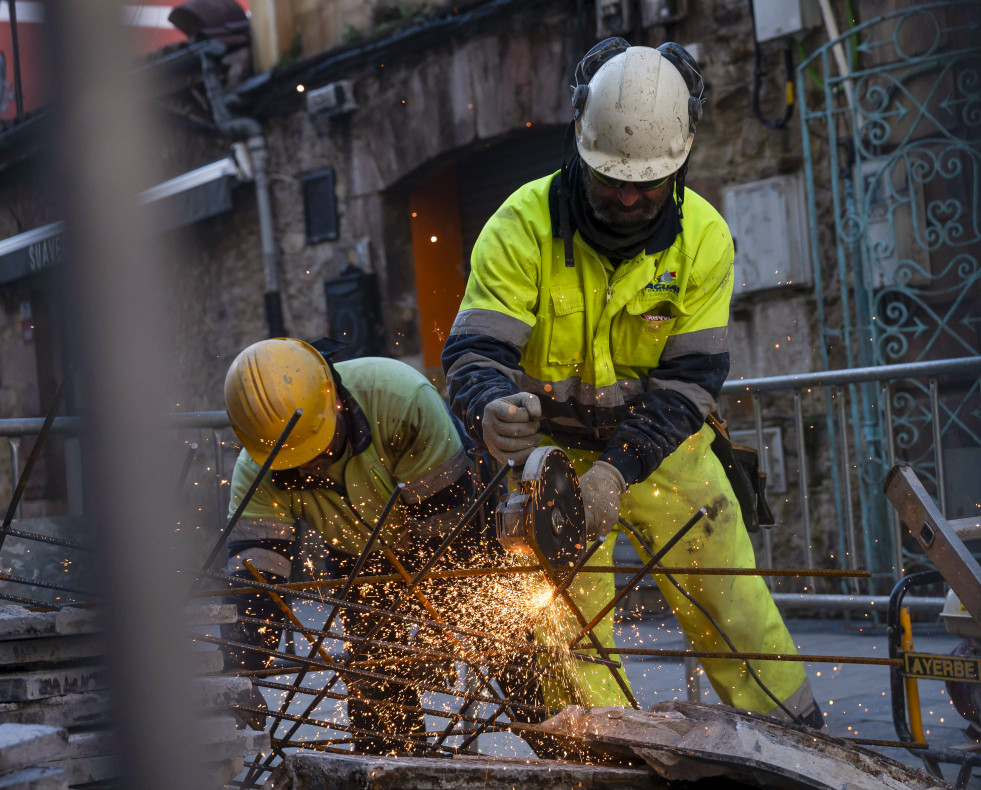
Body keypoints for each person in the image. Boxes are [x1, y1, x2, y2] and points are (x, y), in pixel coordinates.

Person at [442, 39, 821, 727]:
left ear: (680, 160)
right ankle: (606, 757)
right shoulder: (518, 226)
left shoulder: (703, 239)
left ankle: (795, 740)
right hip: (552, 463)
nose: (625, 195)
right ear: (579, 145)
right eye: (609, 176)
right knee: (569, 639)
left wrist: (616, 474)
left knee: (732, 610)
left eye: (645, 183)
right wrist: (489, 406)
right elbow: (474, 351)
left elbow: (689, 382)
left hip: (666, 452)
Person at [220, 337, 479, 752]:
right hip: (361, 559)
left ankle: (576, 749)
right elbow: (256, 583)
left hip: (447, 536)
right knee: (377, 690)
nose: (309, 464)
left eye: (315, 448)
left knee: (511, 655)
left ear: (335, 399)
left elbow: (452, 536)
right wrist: (241, 672)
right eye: (294, 459)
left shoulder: (400, 401)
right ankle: (393, 768)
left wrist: (439, 628)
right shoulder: (258, 466)